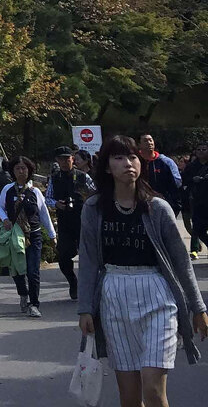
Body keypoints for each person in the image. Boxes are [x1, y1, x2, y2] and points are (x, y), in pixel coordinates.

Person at [78, 135, 208, 407]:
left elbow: (180, 260)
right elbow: (88, 259)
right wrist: (85, 308)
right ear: (106, 167)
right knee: (129, 396)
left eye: (133, 157)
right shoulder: (94, 208)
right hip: (114, 295)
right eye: (119, 158)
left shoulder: (157, 207)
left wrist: (198, 308)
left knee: (152, 387)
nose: (128, 164)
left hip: (157, 295)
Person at [0, 154, 55, 317]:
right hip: (14, 235)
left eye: (24, 168)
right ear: (12, 171)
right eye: (17, 168)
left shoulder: (35, 191)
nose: (21, 171)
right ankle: (23, 293)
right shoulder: (7, 190)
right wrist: (5, 219)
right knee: (17, 270)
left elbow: (44, 214)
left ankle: (34, 304)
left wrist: (52, 234)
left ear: (29, 171)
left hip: (33, 236)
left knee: (33, 271)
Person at [46, 145, 93, 299]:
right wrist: (56, 204)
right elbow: (48, 198)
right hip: (65, 221)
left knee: (88, 256)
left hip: (83, 220)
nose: (65, 162)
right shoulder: (54, 178)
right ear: (57, 161)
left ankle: (89, 286)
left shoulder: (82, 176)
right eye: (62, 159)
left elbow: (95, 193)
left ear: (73, 159)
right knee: (64, 256)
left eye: (68, 158)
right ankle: (73, 282)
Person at [138, 132, 182, 209]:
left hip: (163, 203)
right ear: (139, 145)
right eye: (145, 141)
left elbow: (177, 182)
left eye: (150, 140)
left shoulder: (166, 161)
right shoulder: (135, 161)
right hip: (139, 202)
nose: (149, 143)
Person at [183, 141, 208, 259]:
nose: (201, 152)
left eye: (204, 149)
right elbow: (184, 179)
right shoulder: (192, 166)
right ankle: (194, 249)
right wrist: (193, 179)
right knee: (198, 228)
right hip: (197, 201)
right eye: (199, 150)